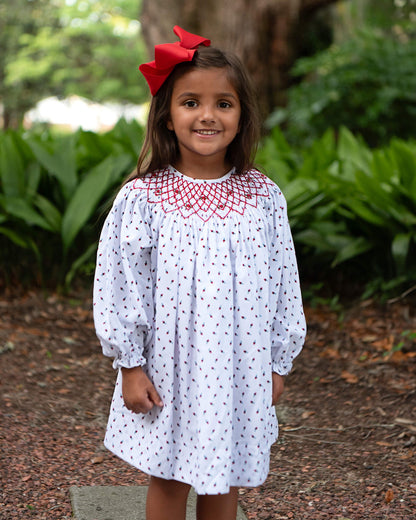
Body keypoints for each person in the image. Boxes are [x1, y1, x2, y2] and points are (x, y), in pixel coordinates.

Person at [93, 25, 306, 520]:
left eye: (223, 104)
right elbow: (121, 285)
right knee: (168, 473)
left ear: (242, 115)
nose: (207, 115)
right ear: (167, 116)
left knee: (225, 475)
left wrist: (277, 362)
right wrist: (130, 365)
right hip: (170, 366)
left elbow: (283, 284)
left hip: (239, 365)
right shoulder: (143, 198)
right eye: (191, 102)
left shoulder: (263, 197)